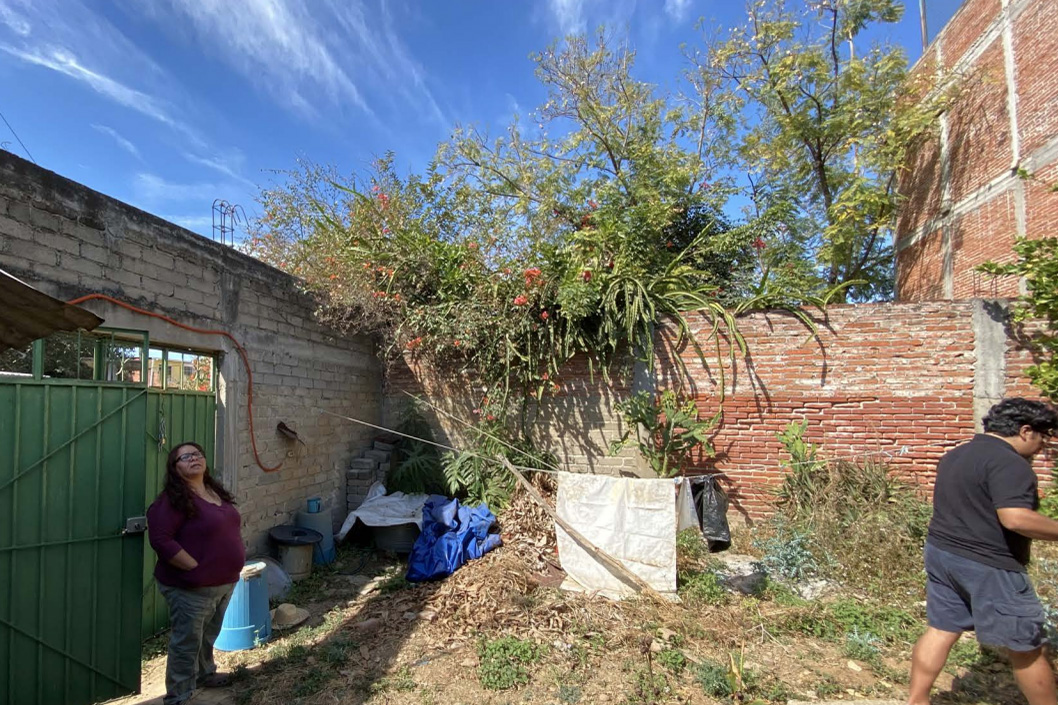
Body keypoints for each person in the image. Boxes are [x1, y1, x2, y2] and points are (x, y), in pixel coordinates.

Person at [908, 398, 1058, 705]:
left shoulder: (957, 454)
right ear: (1026, 431)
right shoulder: (1011, 463)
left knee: (941, 629)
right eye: (1043, 437)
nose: (1043, 446)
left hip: (942, 553)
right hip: (989, 564)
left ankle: (917, 700)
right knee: (1028, 648)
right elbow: (1014, 518)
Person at [147, 442, 245, 705]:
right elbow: (161, 539)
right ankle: (178, 695)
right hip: (191, 587)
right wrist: (194, 566)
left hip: (224, 582)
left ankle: (204, 674)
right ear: (174, 467)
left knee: (208, 634)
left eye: (197, 454)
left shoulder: (213, 491)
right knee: (187, 641)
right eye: (185, 457)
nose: (194, 459)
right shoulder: (172, 500)